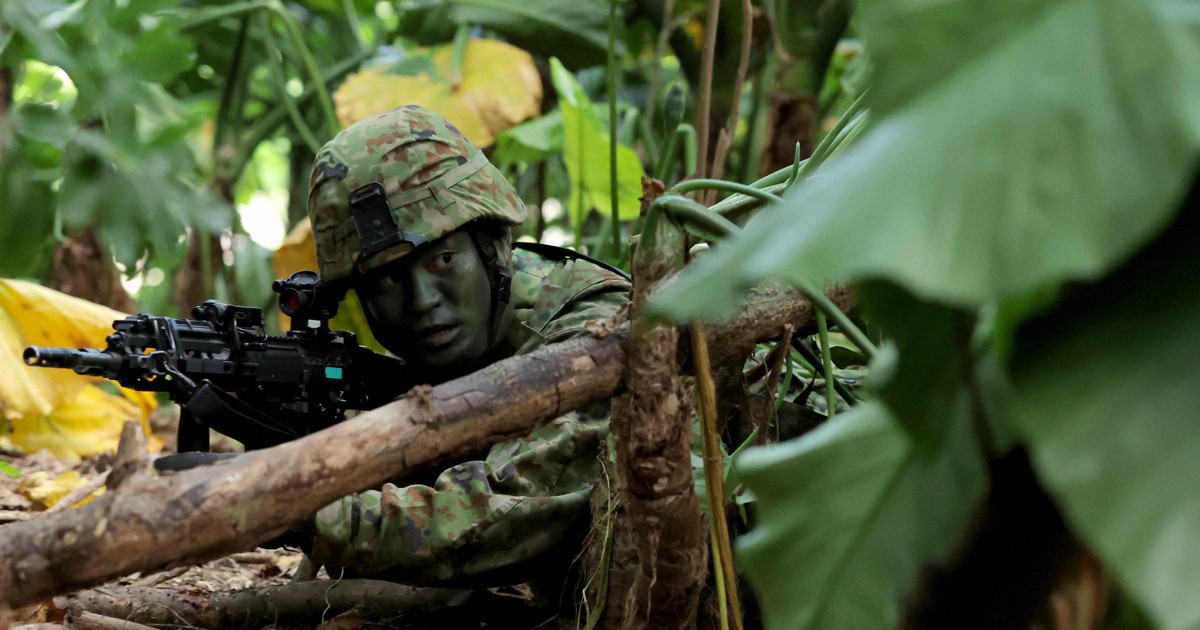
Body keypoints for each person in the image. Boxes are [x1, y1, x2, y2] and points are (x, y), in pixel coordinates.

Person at [301, 105, 631, 601]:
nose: (423, 302)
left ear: (494, 245)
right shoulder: (459, 355)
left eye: (443, 259)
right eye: (388, 277)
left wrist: (297, 514)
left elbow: (512, 512)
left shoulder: (590, 326)